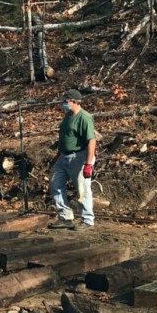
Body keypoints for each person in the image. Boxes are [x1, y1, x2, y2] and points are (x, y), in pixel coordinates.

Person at [49, 89, 97, 230]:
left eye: (66, 101)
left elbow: (91, 141)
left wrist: (88, 164)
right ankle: (65, 217)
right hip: (64, 156)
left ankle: (87, 220)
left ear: (75, 102)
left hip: (79, 157)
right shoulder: (68, 116)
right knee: (55, 184)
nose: (63, 104)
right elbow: (65, 136)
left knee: (82, 189)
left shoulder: (84, 117)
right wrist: (59, 152)